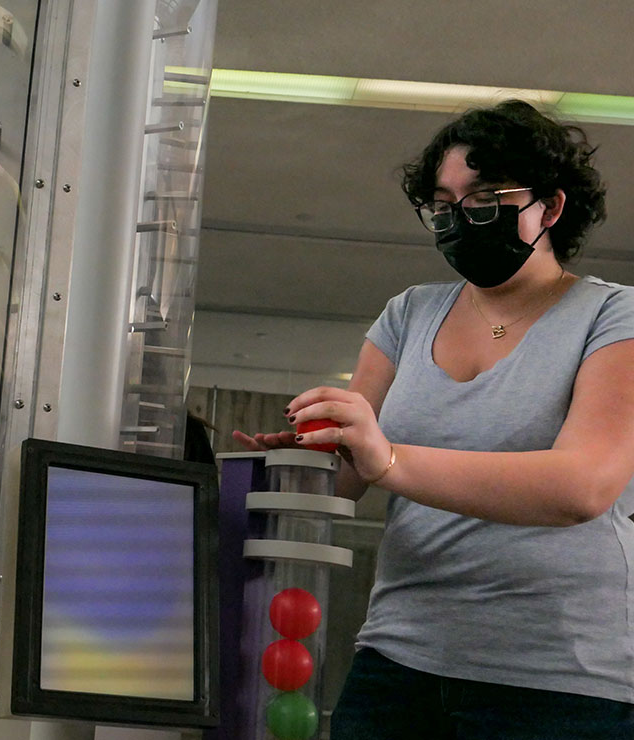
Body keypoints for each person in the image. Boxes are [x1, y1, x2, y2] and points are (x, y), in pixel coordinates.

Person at [235, 100, 634, 738]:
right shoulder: (409, 314)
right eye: (443, 207)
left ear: (551, 208)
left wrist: (387, 458)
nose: (460, 221)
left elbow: (583, 486)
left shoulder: (613, 318)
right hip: (401, 658)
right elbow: (347, 477)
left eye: (483, 201)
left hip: (560, 677)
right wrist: (310, 456)